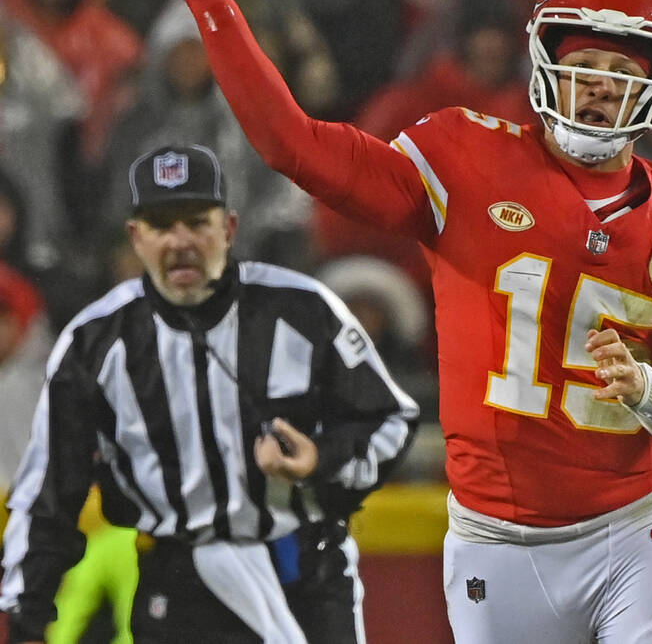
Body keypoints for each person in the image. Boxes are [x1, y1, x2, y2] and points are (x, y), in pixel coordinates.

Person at [139, 0, 652, 642]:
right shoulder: (463, 157)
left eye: (620, 71)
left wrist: (650, 392)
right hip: (498, 541)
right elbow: (293, 144)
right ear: (545, 63)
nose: (598, 86)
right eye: (583, 65)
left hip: (638, 525)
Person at [0, 143, 420, 644]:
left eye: (197, 221)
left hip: (302, 570)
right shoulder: (95, 341)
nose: (181, 242)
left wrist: (323, 459)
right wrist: (25, 614)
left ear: (229, 228)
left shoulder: (305, 310)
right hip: (178, 581)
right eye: (160, 224)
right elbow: (50, 488)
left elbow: (391, 419)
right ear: (136, 237)